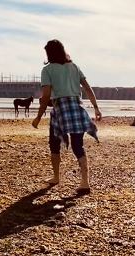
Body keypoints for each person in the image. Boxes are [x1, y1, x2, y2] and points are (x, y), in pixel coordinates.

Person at [32, 39, 102, 195]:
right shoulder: (74, 67)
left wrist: (37, 117)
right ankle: (85, 182)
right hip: (77, 108)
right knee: (78, 145)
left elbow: (46, 96)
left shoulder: (47, 70)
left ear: (49, 53)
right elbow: (88, 89)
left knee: (54, 143)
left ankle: (56, 177)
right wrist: (96, 108)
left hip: (60, 110)